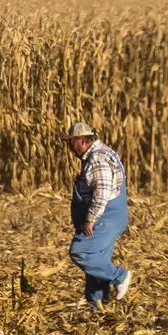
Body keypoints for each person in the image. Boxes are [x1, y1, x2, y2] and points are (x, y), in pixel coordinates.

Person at [64, 121, 131, 309]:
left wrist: (90, 219)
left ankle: (120, 276)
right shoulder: (106, 153)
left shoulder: (97, 158)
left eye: (71, 142)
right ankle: (99, 308)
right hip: (111, 216)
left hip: (105, 217)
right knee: (98, 262)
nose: (70, 147)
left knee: (81, 251)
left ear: (81, 140)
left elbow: (102, 192)